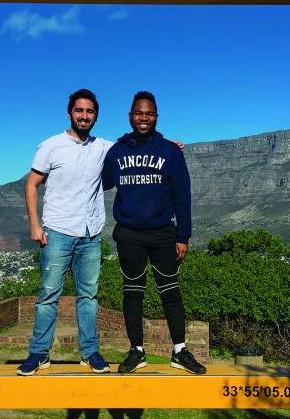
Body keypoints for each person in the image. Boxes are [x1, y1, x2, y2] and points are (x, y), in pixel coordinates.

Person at [102, 91, 207, 374]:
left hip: (163, 234)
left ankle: (179, 351)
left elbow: (182, 196)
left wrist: (183, 236)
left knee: (171, 292)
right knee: (132, 292)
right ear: (130, 116)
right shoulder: (117, 152)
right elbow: (100, 180)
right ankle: (137, 351)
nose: (143, 118)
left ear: (156, 117)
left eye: (149, 114)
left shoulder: (170, 152)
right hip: (129, 234)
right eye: (139, 113)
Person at [17, 89, 113, 375]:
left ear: (96, 115)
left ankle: (89, 352)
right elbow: (31, 184)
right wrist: (35, 224)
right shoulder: (50, 145)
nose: (84, 116)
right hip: (57, 231)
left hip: (91, 233)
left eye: (90, 111)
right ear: (70, 113)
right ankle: (38, 353)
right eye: (79, 110)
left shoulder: (103, 147)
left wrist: (167, 146)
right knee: (48, 296)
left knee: (89, 296)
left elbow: (135, 146)